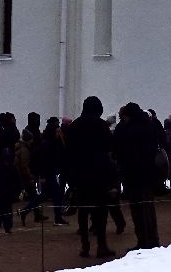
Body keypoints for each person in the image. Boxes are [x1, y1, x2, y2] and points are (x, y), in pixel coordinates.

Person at [62, 96, 115, 260]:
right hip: (99, 173)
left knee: (83, 211)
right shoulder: (101, 125)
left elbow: (68, 152)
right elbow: (109, 147)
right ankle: (101, 244)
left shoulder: (75, 126)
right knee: (100, 211)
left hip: (80, 173)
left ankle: (85, 246)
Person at [111, 103, 160, 251]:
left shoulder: (130, 130)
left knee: (138, 210)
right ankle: (153, 239)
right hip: (148, 173)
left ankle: (143, 241)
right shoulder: (150, 126)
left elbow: (121, 151)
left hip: (133, 175)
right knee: (149, 208)